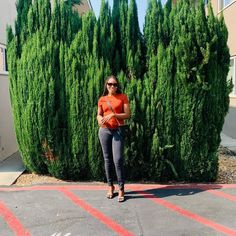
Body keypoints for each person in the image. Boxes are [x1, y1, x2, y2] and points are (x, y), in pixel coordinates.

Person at [97, 75, 131, 202]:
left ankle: (121, 188)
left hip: (118, 130)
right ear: (106, 85)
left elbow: (127, 114)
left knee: (118, 159)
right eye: (110, 84)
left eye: (115, 84)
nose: (112, 86)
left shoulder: (123, 97)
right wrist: (99, 119)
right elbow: (99, 114)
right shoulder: (102, 99)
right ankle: (110, 186)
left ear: (118, 86)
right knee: (107, 159)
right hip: (104, 131)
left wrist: (113, 114)